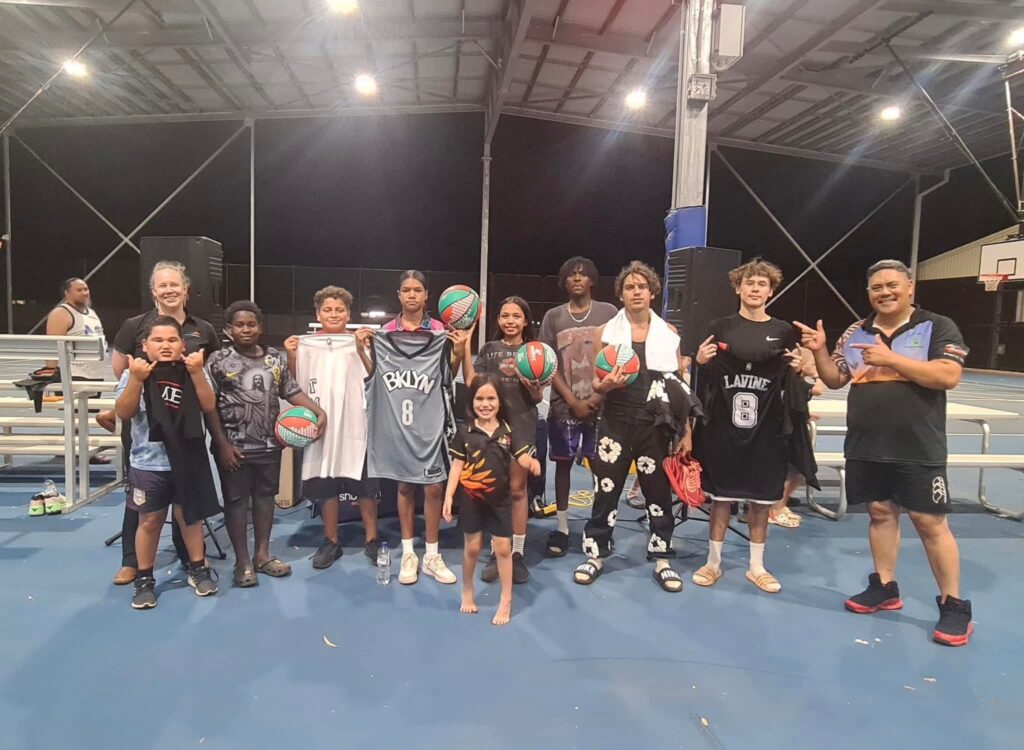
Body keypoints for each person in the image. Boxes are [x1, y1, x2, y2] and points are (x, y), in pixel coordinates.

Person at [796, 259, 974, 646]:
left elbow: (948, 376)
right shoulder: (856, 331)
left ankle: (954, 605)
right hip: (866, 443)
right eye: (877, 287)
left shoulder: (936, 326)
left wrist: (891, 359)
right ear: (869, 293)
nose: (885, 292)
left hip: (918, 445)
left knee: (929, 522)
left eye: (893, 285)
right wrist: (822, 351)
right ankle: (884, 586)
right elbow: (836, 378)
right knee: (879, 513)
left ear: (910, 287)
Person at [573, 261, 698, 592]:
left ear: (652, 293)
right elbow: (596, 388)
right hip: (615, 422)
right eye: (629, 287)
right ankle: (596, 553)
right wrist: (607, 386)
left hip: (656, 425)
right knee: (606, 490)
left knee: (658, 492)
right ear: (622, 295)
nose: (636, 291)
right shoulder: (604, 333)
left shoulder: (669, 335)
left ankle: (661, 557)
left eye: (641, 286)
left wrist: (686, 432)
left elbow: (679, 386)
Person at [692, 259, 815, 594]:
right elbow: (701, 378)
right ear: (737, 287)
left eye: (762, 284)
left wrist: (804, 368)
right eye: (749, 283)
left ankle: (756, 566)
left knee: (761, 501)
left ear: (771, 291)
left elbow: (800, 377)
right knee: (720, 497)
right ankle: (713, 562)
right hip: (724, 425)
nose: (755, 289)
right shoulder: (719, 327)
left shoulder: (784, 331)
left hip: (766, 427)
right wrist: (700, 363)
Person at [109, 260, 221, 586]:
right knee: (147, 512)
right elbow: (122, 376)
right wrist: (139, 383)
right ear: (153, 291)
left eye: (175, 284)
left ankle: (195, 564)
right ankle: (136, 566)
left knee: (189, 511)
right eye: (163, 285)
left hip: (188, 443)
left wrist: (196, 373)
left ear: (186, 289)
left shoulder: (203, 329)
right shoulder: (135, 326)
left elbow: (208, 387)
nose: (169, 290)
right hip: (148, 445)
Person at [208, 301, 327, 587]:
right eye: (239, 325)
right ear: (228, 329)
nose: (246, 329)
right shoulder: (218, 360)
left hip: (270, 446)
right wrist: (221, 443)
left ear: (260, 327)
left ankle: (261, 555)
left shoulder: (274, 358)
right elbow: (209, 406)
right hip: (234, 448)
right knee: (236, 502)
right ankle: (242, 562)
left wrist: (317, 411)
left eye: (251, 324)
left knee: (264, 499)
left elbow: (291, 390)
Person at [369, 270, 467, 586]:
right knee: (404, 487)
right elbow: (374, 375)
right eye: (406, 290)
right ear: (398, 295)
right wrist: (362, 349)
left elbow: (446, 376)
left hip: (430, 419)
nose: (412, 295)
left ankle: (432, 554)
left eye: (418, 290)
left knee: (435, 486)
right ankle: (409, 552)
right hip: (398, 422)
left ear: (427, 296)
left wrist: (460, 353)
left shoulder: (440, 330)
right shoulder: (386, 332)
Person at [284, 286, 380, 569]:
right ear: (318, 314)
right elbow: (293, 383)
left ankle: (372, 540)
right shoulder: (306, 345)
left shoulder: (358, 341)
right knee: (326, 486)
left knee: (365, 487)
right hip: (321, 423)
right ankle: (331, 541)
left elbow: (375, 377)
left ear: (348, 314)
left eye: (339, 310)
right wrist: (291, 356)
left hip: (355, 424)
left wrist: (363, 349)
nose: (334, 314)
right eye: (328, 309)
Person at [443, 374, 540, 625]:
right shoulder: (465, 432)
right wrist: (449, 495)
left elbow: (520, 456)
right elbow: (456, 466)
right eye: (479, 399)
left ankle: (506, 599)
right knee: (472, 548)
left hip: (500, 501)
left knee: (503, 549)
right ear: (471, 401)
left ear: (499, 402)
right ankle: (467, 590)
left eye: (491, 398)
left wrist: (531, 461)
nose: (485, 404)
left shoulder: (507, 431)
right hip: (471, 499)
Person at [461, 296, 544, 584]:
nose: (510, 321)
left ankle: (517, 553)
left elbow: (537, 397)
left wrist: (533, 386)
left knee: (518, 490)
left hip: (521, 427)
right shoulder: (489, 350)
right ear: (498, 321)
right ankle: (498, 550)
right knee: (494, 492)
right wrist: (464, 349)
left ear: (525, 320)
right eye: (505, 315)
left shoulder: (534, 352)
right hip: (491, 429)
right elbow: (472, 382)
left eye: (516, 316)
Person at [538, 257, 617, 557]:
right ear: (564, 281)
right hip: (563, 406)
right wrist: (571, 400)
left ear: (592, 280)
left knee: (602, 466)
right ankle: (562, 529)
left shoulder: (608, 313)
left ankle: (600, 527)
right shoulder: (553, 317)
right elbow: (548, 361)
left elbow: (616, 358)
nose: (577, 279)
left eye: (583, 274)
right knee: (563, 465)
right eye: (571, 275)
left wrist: (596, 399)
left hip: (602, 405)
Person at [768, 349, 825, 529]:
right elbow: (819, 390)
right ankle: (774, 510)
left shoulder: (789, 382)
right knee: (793, 471)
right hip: (788, 436)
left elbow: (791, 405)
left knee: (796, 472)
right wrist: (818, 374)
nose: (816, 368)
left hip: (785, 432)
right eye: (814, 364)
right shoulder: (796, 383)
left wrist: (805, 415)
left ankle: (781, 505)